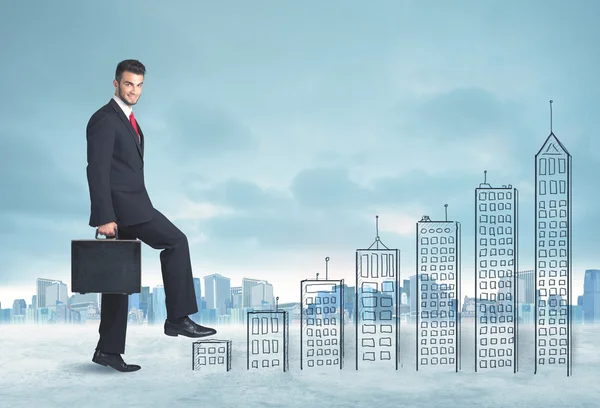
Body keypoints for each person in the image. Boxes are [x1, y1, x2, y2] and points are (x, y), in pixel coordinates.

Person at [86, 59, 216, 373]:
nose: (135, 91)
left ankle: (107, 351)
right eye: (129, 84)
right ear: (116, 84)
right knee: (176, 242)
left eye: (139, 85)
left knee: (119, 280)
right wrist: (104, 216)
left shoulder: (128, 119)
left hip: (131, 207)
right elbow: (97, 170)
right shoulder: (105, 119)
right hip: (123, 211)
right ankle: (177, 319)